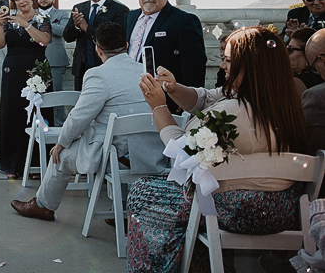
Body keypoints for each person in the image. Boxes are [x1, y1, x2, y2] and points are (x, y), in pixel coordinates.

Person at [126, 26, 308, 273]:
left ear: (249, 66)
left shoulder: (232, 114)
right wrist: (173, 89)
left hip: (242, 209)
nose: (222, 66)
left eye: (228, 60)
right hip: (284, 207)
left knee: (144, 191)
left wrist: (158, 107)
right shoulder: (280, 101)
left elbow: (183, 155)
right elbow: (209, 98)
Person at [11, 22, 166, 221]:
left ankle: (43, 206)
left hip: (117, 157)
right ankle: (124, 210)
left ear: (98, 49)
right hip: (153, 153)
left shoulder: (98, 75)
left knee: (61, 155)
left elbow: (79, 117)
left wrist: (61, 143)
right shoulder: (146, 71)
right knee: (116, 139)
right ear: (127, 45)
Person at [0, 0, 51, 179]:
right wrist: (0, 24)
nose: (21, 1)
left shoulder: (42, 18)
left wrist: (26, 24)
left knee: (37, 115)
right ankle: (12, 165)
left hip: (36, 71)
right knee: (13, 114)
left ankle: (37, 163)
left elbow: (44, 40)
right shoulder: (9, 20)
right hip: (12, 72)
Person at [125, 0, 207, 111]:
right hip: (130, 94)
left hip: (167, 98)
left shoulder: (183, 21)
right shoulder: (130, 17)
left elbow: (194, 63)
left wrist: (187, 97)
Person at [63, 0, 129, 90]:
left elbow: (115, 38)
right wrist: (76, 26)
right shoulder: (79, 8)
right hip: (81, 67)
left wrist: (86, 28)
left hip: (105, 65)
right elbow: (67, 37)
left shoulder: (119, 9)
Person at [37, 0, 71, 125]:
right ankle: (38, 123)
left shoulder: (62, 14)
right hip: (34, 60)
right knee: (35, 95)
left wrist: (44, 22)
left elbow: (64, 30)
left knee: (56, 94)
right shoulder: (31, 14)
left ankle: (59, 124)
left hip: (55, 60)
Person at [302, 29, 325, 154]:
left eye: (314, 68)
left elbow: (313, 148)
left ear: (322, 60)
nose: (318, 74)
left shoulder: (317, 96)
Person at [289, 27, 322, 97]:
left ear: (307, 54)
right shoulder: (320, 77)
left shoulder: (296, 83)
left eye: (290, 50)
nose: (286, 53)